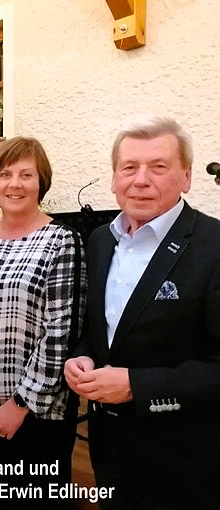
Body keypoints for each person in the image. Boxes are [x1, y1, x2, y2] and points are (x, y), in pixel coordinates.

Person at [64, 116, 220, 509]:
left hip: (187, 464)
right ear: (114, 179)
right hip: (110, 454)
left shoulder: (214, 246)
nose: (141, 180)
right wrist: (83, 356)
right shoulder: (100, 241)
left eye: (159, 167)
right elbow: (102, 332)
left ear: (187, 177)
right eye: (129, 167)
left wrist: (137, 386)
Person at [0, 137, 86, 509]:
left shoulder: (62, 241)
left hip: (34, 416)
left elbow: (61, 332)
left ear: (41, 182)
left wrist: (19, 405)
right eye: (5, 174)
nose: (15, 184)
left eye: (26, 175)